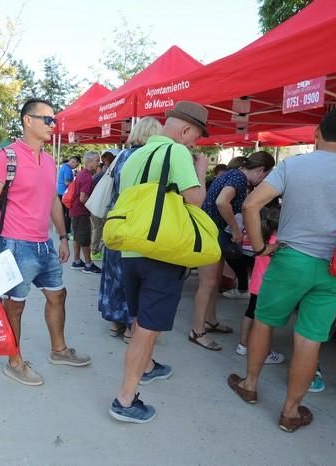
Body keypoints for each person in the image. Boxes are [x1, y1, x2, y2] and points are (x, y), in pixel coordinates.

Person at [227, 106, 336, 433]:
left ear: (317, 132)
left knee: (264, 322)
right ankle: (291, 410)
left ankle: (250, 384)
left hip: (290, 259)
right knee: (310, 337)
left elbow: (250, 204)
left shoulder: (293, 165)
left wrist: (259, 248)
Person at [109, 101, 208, 424]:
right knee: (147, 331)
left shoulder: (135, 157)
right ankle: (125, 398)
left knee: (141, 320)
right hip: (161, 251)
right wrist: (201, 172)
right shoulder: (177, 152)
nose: (192, 144)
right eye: (194, 138)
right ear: (186, 130)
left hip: (132, 250)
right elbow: (195, 199)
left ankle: (148, 367)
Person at [0, 98, 91, 386]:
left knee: (58, 295)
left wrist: (63, 236)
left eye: (53, 119)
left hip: (45, 245)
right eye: (47, 119)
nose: (53, 125)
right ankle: (14, 361)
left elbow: (53, 200)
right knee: (14, 306)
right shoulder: (8, 156)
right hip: (16, 245)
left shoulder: (48, 159)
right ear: (28, 121)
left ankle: (59, 350)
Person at [190, 151, 275, 351]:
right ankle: (197, 331)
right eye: (266, 176)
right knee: (208, 284)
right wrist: (236, 229)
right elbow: (222, 201)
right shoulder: (238, 177)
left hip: (212, 234)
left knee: (213, 282)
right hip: (211, 234)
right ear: (261, 170)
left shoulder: (233, 173)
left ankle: (210, 321)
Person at [99, 117, 162, 342]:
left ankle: (115, 323)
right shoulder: (152, 157)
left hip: (115, 220)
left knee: (114, 273)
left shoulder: (121, 156)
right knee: (134, 276)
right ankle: (129, 327)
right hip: (138, 223)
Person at [235, 202, 285, 364]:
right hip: (270, 287)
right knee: (265, 321)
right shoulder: (280, 243)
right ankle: (265, 352)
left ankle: (242, 345)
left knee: (250, 312)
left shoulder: (262, 237)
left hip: (256, 284)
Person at [69, 151, 101, 274]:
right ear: (90, 161)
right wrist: (94, 207)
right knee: (85, 238)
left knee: (77, 237)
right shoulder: (87, 176)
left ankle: (76, 261)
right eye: (97, 161)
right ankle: (88, 264)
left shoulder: (82, 173)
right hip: (81, 212)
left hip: (75, 210)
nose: (98, 164)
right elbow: (83, 198)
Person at [90, 150, 117, 261]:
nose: (101, 163)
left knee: (98, 229)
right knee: (98, 229)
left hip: (98, 205)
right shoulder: (105, 174)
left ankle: (95, 250)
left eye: (103, 161)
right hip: (102, 206)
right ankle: (95, 251)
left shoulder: (103, 174)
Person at [57, 156, 79, 237]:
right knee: (68, 214)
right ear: (73, 161)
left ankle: (61, 230)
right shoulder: (68, 169)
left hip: (60, 192)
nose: (75, 167)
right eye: (76, 165)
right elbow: (67, 182)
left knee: (62, 213)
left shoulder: (63, 166)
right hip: (65, 194)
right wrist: (75, 184)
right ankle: (67, 232)